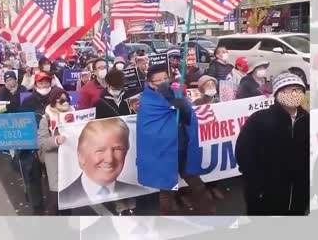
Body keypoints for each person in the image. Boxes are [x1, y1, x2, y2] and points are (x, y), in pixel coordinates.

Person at [137, 64, 214, 215]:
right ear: (150, 84)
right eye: (158, 80)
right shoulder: (146, 101)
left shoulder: (176, 93)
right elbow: (148, 131)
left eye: (165, 78)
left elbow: (188, 118)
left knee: (196, 183)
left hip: (182, 147)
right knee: (166, 191)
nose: (163, 82)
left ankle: (208, 212)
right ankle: (167, 221)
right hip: (164, 152)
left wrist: (183, 106)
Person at [236, 72, 309, 215]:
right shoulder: (259, 120)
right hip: (265, 197)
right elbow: (244, 154)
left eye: (298, 89)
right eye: (288, 90)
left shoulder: (308, 121)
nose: (294, 94)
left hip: (298, 198)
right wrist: (255, 187)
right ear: (277, 94)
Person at [59, 118, 150, 208]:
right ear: (81, 155)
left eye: (117, 149)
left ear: (126, 151)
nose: (109, 159)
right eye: (100, 150)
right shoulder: (64, 199)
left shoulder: (140, 194)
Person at [16, 72, 55, 214]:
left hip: (52, 144)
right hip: (34, 146)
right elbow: (23, 123)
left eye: (47, 82)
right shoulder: (28, 101)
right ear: (36, 84)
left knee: (53, 176)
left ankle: (54, 206)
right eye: (41, 82)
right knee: (34, 176)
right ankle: (38, 207)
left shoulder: (56, 99)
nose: (44, 85)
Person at [38, 87, 74, 215]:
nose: (65, 103)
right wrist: (56, 140)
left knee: (68, 199)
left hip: (71, 161)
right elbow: (42, 143)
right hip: (54, 162)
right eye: (61, 100)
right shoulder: (46, 119)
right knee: (55, 198)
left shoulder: (75, 116)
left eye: (67, 100)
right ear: (53, 102)